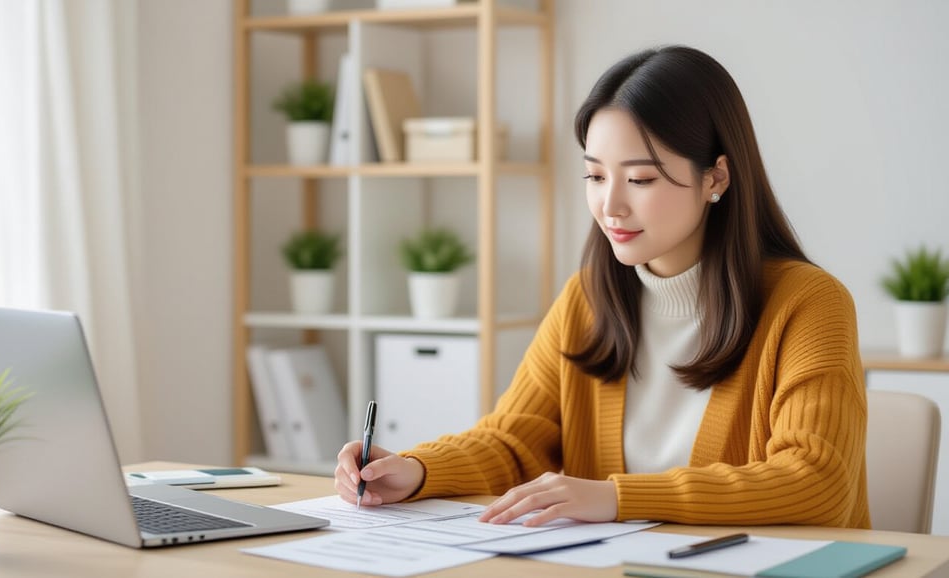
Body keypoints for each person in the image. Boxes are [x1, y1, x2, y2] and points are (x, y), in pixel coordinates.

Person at [334, 45, 869, 529]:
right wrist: (416, 470)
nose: (610, 206)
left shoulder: (807, 304)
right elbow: (514, 440)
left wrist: (615, 498)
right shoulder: (588, 299)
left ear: (716, 178)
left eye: (640, 179)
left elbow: (816, 481)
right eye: (595, 176)